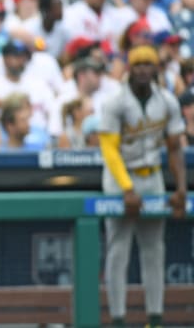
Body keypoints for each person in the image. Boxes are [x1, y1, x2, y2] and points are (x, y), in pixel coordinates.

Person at [98, 45, 188, 328]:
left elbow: (174, 148)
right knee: (118, 250)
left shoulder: (167, 101)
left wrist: (180, 188)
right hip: (120, 177)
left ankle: (155, 318)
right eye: (137, 64)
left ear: (156, 69)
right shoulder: (115, 102)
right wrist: (126, 189)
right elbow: (109, 150)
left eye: (148, 64)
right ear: (129, 68)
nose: (143, 70)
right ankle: (118, 319)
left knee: (153, 249)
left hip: (152, 177)